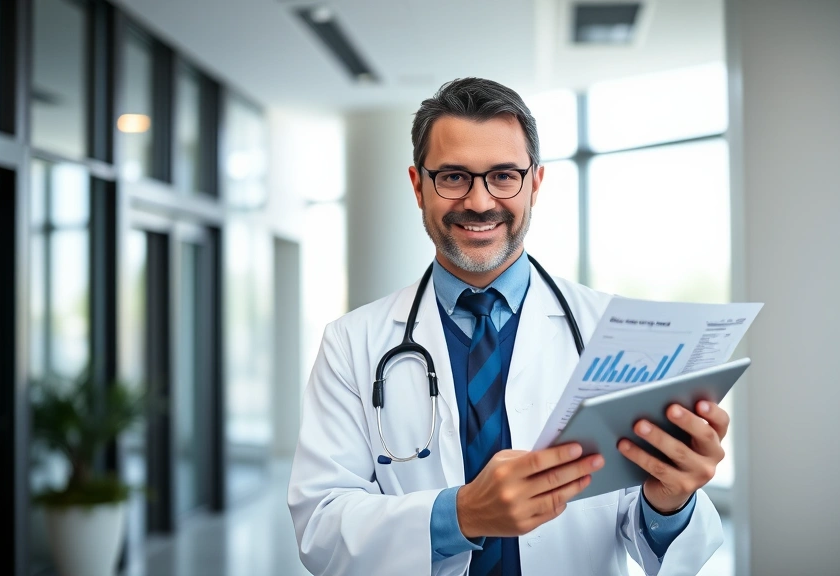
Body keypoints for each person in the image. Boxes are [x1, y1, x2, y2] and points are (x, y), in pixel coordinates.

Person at [288, 78, 727, 576]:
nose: (479, 202)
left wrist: (670, 500)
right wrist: (462, 515)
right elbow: (321, 526)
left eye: (503, 176)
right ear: (417, 185)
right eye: (453, 177)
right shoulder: (352, 343)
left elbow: (640, 523)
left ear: (535, 183)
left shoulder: (614, 329)